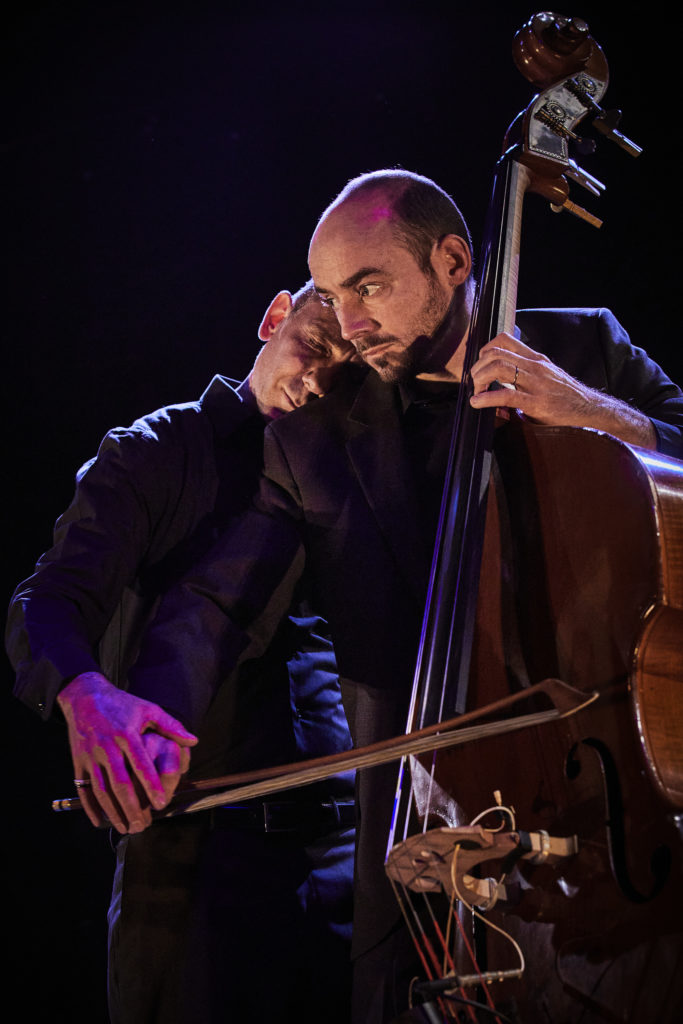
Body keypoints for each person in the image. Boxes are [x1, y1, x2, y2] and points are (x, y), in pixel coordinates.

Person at [117, 170, 683, 1022]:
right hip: (423, 841)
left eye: (369, 287)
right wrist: (148, 717)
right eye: (332, 294)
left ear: (453, 260)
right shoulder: (315, 440)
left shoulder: (585, 351)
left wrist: (599, 415)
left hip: (617, 812)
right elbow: (217, 599)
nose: (348, 324)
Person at [6, 282, 359, 1024]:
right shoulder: (155, 452)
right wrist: (83, 692)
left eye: (344, 372)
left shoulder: (354, 478)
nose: (317, 381)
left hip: (341, 845)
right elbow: (46, 604)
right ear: (273, 317)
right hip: (189, 849)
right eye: (314, 349)